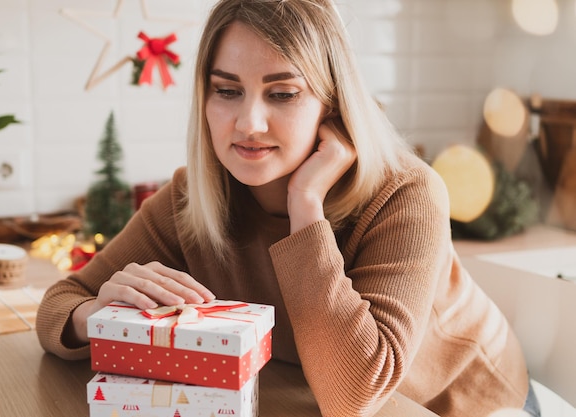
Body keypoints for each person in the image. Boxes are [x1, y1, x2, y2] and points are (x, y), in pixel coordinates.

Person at [36, 1, 539, 416]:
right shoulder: (195, 199)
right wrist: (94, 315)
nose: (249, 123)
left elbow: (354, 395)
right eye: (227, 90)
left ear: (333, 105)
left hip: (470, 406)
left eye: (282, 93)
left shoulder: (407, 194)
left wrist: (306, 205)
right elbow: (59, 303)